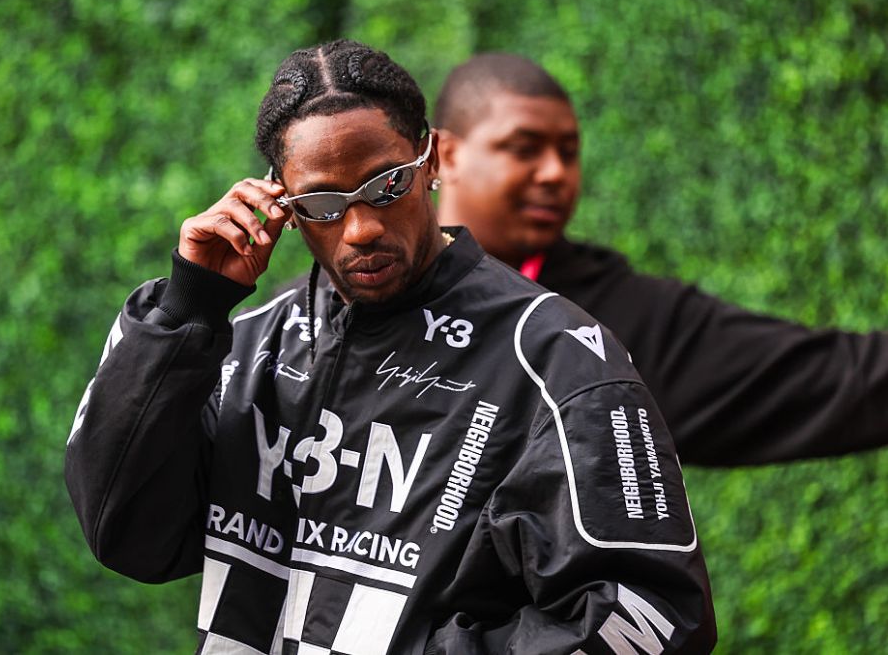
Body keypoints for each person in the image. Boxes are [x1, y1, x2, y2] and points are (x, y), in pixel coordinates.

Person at [65, 40, 715, 653]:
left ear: (431, 159)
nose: (361, 227)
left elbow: (653, 612)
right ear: (281, 203)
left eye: (387, 185)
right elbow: (129, 536)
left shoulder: (556, 359)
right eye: (322, 202)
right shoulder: (249, 344)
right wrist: (187, 306)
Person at [434, 53, 888, 466]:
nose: (555, 172)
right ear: (446, 155)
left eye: (569, 153)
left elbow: (835, 378)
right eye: (524, 148)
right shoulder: (376, 285)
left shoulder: (614, 321)